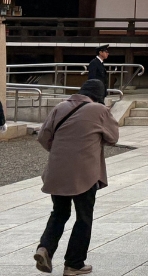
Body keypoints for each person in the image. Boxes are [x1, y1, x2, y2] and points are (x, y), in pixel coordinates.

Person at [34, 79, 119, 276]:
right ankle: (74, 263)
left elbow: (43, 137)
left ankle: (44, 248)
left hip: (57, 170)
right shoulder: (99, 109)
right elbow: (113, 138)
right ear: (99, 95)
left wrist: (60, 153)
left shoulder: (60, 107)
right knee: (83, 217)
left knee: (59, 212)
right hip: (85, 172)